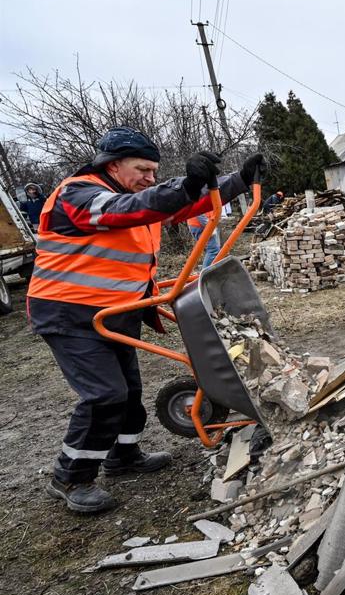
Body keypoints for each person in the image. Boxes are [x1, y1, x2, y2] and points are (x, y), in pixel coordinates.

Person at [27, 126, 264, 513]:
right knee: (105, 395)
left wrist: (239, 180)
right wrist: (184, 186)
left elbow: (186, 202)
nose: (151, 178)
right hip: (69, 312)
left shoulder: (134, 195)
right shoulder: (79, 194)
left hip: (116, 310)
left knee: (129, 389)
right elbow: (127, 209)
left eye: (154, 171)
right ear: (114, 165)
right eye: (143, 169)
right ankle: (70, 477)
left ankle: (123, 456)